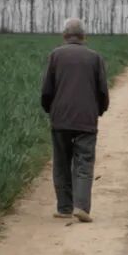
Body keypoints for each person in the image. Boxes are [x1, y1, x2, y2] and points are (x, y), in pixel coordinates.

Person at [40, 18, 109, 222]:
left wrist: (50, 110)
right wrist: (98, 111)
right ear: (84, 36)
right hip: (86, 119)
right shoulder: (95, 58)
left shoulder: (55, 55)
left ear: (64, 35)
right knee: (84, 163)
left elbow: (47, 90)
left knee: (61, 163)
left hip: (60, 119)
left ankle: (64, 207)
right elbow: (102, 91)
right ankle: (81, 207)